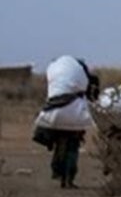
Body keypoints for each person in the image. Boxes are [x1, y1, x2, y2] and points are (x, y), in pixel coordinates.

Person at [33, 56, 100, 189]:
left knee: (60, 144)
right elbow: (92, 97)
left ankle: (58, 171)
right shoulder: (87, 79)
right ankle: (69, 178)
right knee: (72, 147)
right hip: (76, 115)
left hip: (56, 113)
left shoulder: (57, 76)